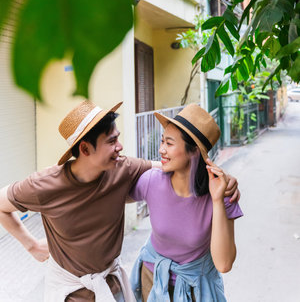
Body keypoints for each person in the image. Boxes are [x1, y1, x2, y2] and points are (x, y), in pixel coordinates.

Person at [0, 100, 240, 301]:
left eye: (169, 142)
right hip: (72, 290)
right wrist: (30, 244)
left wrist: (223, 183)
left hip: (121, 287)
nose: (120, 146)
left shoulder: (123, 170)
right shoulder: (44, 185)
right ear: (85, 149)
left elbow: (173, 171)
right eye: (112, 141)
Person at [130, 103, 243, 301]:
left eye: (169, 143)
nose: (161, 149)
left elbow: (224, 264)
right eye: (162, 141)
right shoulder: (151, 181)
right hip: (152, 281)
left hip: (196, 289)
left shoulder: (223, 195)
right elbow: (110, 191)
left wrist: (217, 199)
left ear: (193, 151)